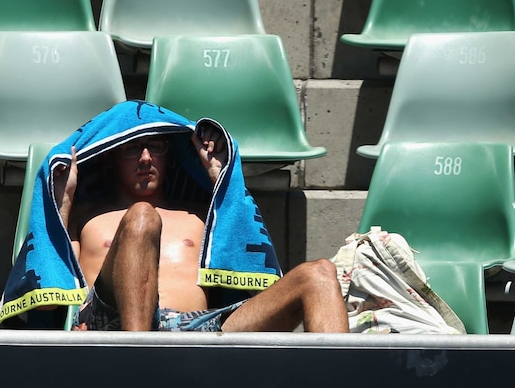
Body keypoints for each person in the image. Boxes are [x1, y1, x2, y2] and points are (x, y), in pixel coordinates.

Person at [52, 122, 349, 333]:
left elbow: (245, 256)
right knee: (142, 216)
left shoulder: (202, 214)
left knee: (318, 275)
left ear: (170, 154)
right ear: (111, 159)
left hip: (199, 325)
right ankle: (138, 363)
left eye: (156, 147)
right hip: (114, 322)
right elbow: (53, 280)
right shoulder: (86, 215)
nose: (145, 158)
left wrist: (220, 182)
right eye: (132, 149)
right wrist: (64, 202)